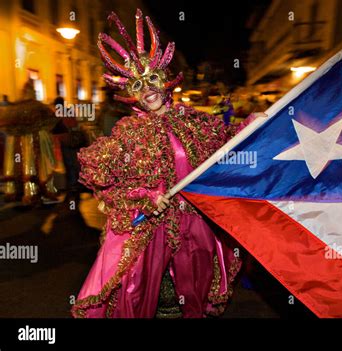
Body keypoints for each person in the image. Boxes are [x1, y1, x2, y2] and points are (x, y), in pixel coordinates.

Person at [72, 9, 265, 318]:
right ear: (130, 94)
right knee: (156, 299)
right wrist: (145, 197)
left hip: (195, 221)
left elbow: (227, 143)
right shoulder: (129, 131)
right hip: (153, 227)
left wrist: (256, 122)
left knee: (195, 293)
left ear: (163, 80)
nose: (147, 91)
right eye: (138, 86)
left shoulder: (193, 121)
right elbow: (104, 178)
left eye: (151, 80)